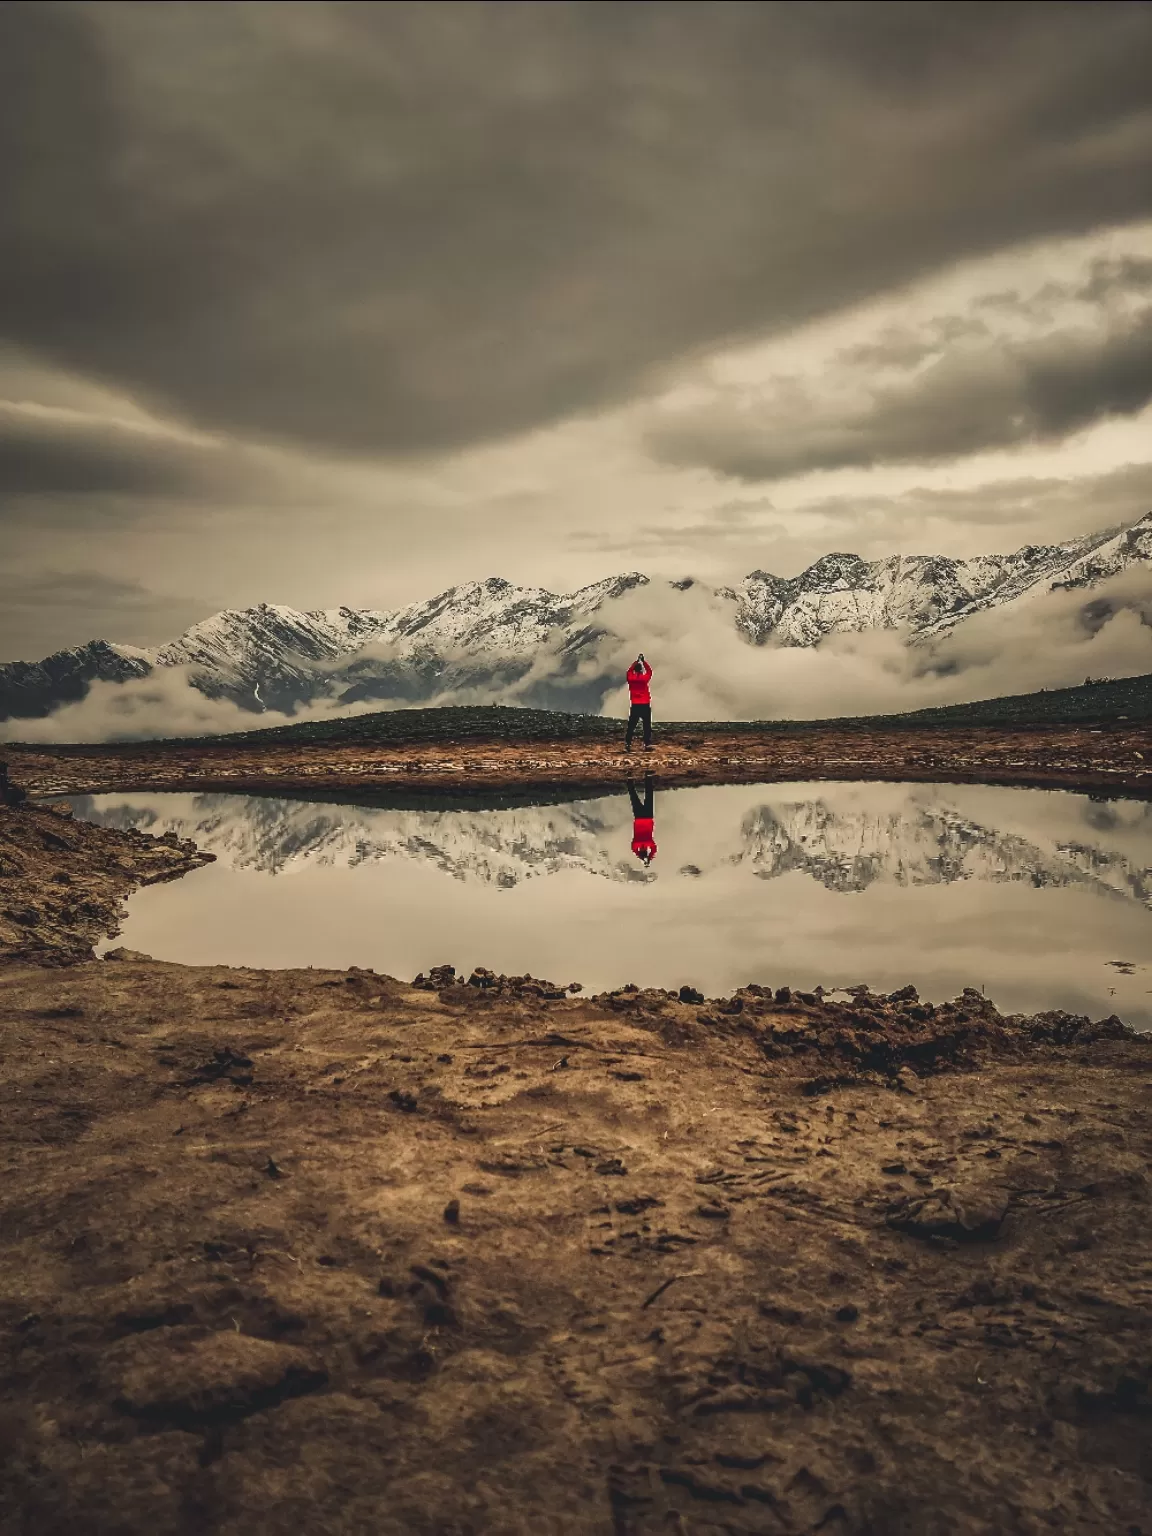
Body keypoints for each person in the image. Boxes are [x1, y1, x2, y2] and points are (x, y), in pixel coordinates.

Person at [624, 652, 653, 752]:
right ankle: (647, 744)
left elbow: (628, 671)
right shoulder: (644, 679)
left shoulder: (631, 679)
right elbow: (649, 672)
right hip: (645, 704)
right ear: (641, 670)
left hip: (635, 704)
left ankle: (628, 743)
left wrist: (636, 662)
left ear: (634, 671)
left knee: (631, 725)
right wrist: (644, 662)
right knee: (646, 725)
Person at [628, 774, 657, 866]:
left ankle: (648, 778)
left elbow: (654, 849)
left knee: (649, 795)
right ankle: (630, 780)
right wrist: (640, 857)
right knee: (634, 797)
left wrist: (649, 857)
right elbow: (634, 849)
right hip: (639, 819)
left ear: (646, 851)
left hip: (648, 818)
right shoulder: (636, 844)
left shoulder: (649, 842)